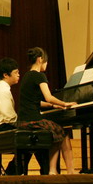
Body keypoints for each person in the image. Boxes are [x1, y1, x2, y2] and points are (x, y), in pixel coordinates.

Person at [18, 47, 76, 175]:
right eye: (46, 61)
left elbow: (36, 101)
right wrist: (64, 103)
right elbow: (48, 97)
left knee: (57, 132)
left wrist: (53, 106)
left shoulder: (26, 76)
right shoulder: (40, 76)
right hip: (33, 121)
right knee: (62, 132)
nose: (47, 64)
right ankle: (65, 170)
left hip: (23, 121)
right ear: (40, 59)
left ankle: (54, 170)